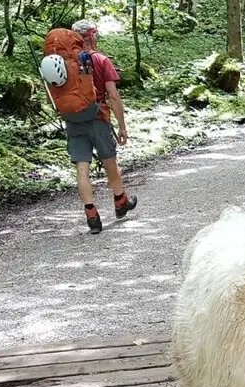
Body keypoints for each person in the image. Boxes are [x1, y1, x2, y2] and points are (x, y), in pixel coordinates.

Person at [68, 19, 137, 234]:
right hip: (98, 118)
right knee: (109, 162)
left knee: (82, 168)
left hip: (72, 120)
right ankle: (119, 201)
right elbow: (113, 96)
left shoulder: (63, 63)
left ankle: (91, 214)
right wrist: (122, 126)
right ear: (91, 36)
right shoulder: (100, 60)